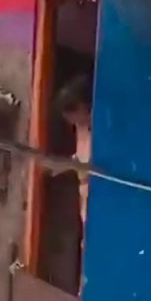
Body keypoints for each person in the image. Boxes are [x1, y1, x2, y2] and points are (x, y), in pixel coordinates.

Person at [55, 75, 94, 225]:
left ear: (83, 107)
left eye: (74, 116)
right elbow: (80, 157)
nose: (73, 122)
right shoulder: (80, 127)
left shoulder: (103, 126)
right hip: (85, 192)